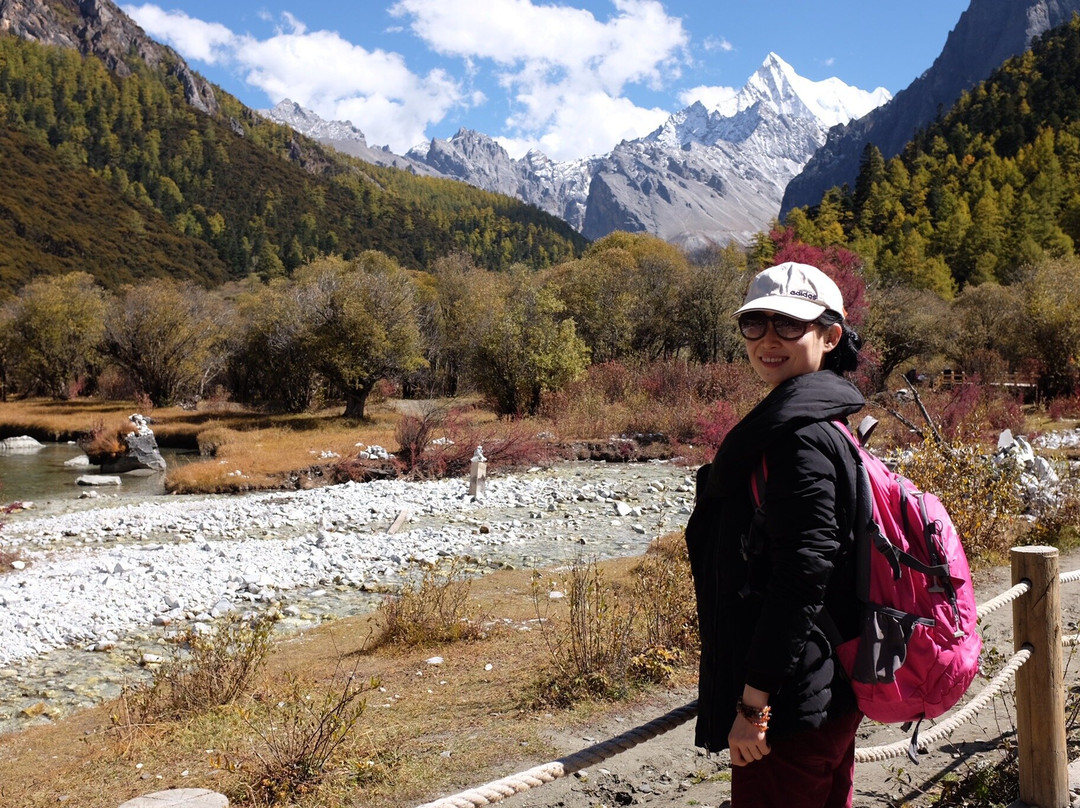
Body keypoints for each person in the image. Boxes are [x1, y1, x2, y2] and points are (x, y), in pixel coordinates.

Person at [685, 261, 866, 808]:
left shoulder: (798, 440)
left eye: (789, 325)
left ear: (830, 335)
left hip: (791, 708)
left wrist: (753, 707)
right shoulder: (826, 417)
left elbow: (800, 579)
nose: (769, 339)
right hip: (829, 690)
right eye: (755, 323)